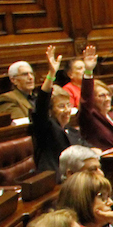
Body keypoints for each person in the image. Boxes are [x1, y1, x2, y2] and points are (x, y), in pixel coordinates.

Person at [29, 46, 84, 175]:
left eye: (68, 105)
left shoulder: (72, 131)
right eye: (61, 106)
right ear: (51, 110)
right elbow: (41, 105)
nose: (66, 110)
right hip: (56, 178)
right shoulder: (46, 128)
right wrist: (51, 75)